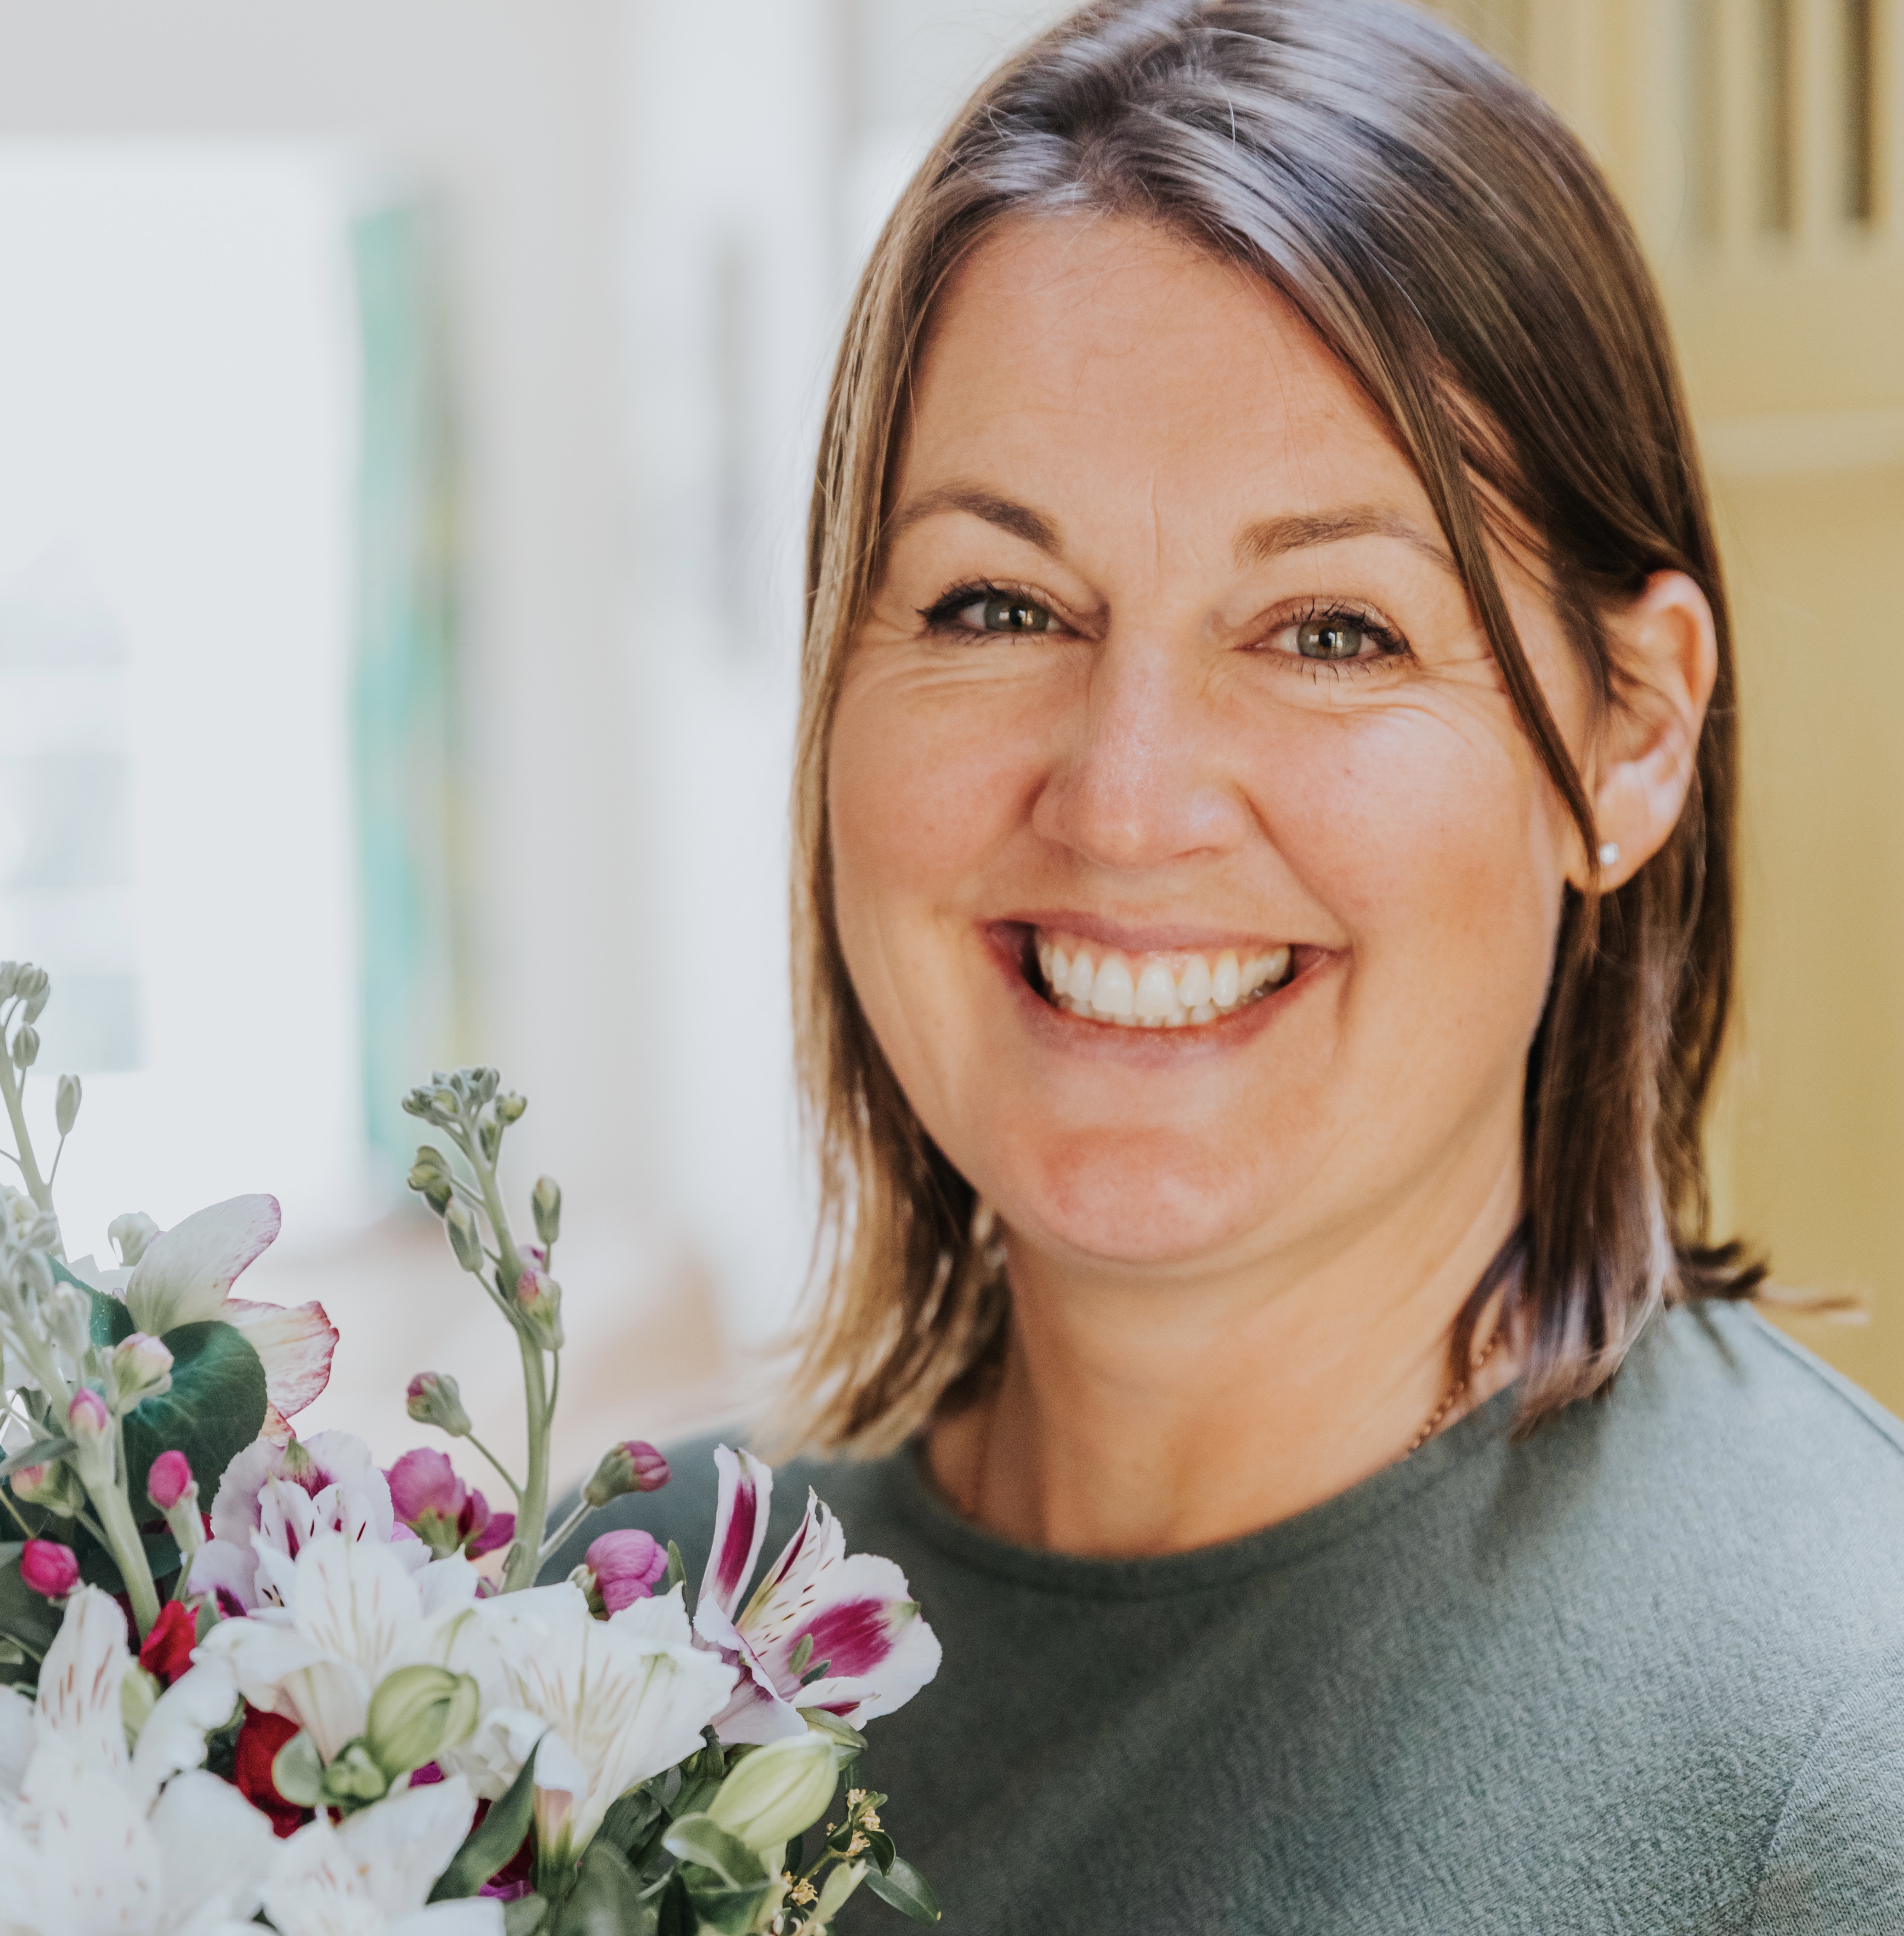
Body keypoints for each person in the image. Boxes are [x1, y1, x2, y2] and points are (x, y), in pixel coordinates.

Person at [553, 3, 1904, 1926]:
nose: (1123, 801)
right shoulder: (589, 1630)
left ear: (1630, 736)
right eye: (997, 601)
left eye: (1331, 628)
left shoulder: (1839, 1750)